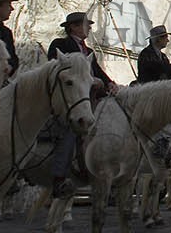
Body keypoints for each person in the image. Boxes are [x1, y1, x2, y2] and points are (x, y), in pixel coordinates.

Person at [45, 12, 117, 197]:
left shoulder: (87, 50)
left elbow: (97, 71)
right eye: (86, 24)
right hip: (69, 99)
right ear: (74, 27)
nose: (90, 27)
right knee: (69, 134)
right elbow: (57, 70)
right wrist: (93, 80)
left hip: (88, 98)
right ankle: (59, 177)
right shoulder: (60, 45)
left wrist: (109, 83)